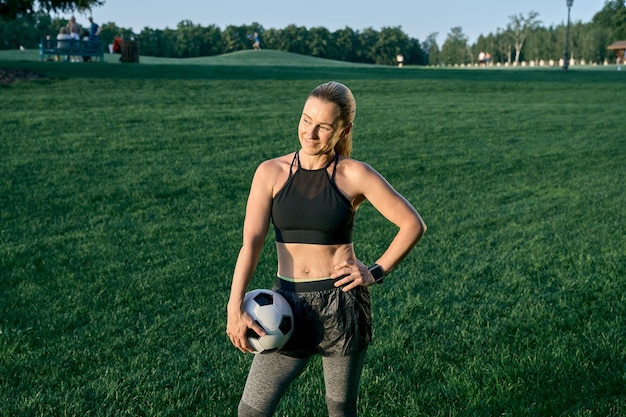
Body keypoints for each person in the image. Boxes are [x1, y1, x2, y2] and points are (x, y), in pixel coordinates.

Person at [226, 81, 426, 417]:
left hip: (341, 305)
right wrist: (235, 306)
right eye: (306, 120)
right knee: (251, 411)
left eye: (323, 126)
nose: (311, 133)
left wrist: (375, 271)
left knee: (340, 411)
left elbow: (412, 224)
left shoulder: (354, 174)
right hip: (283, 306)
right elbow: (252, 243)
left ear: (343, 130)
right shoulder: (270, 172)